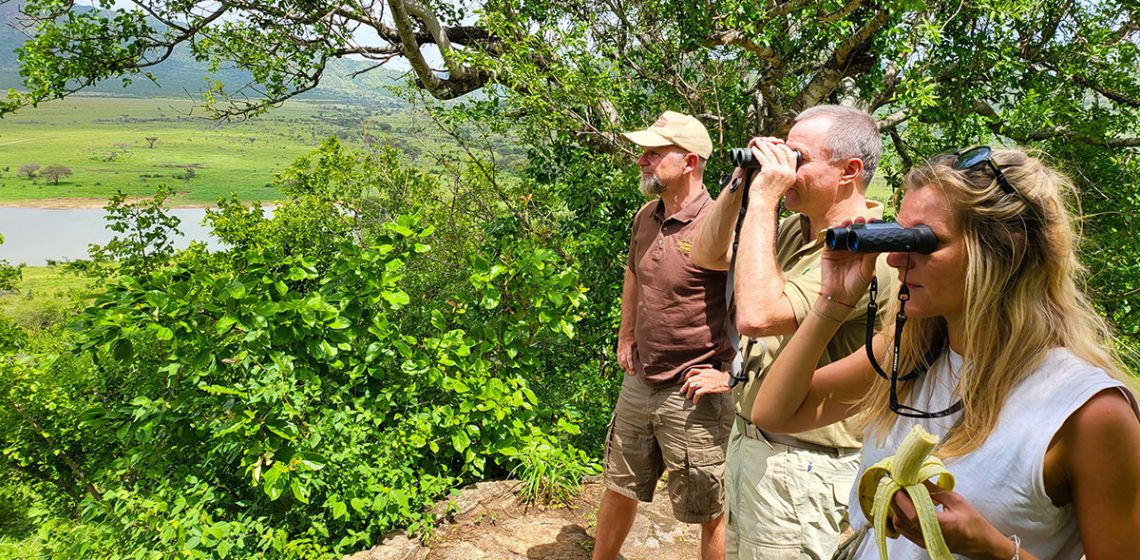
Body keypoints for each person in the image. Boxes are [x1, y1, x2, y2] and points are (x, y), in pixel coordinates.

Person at [750, 147, 1140, 559]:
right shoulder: (913, 352)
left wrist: (991, 548)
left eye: (923, 241)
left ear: (1007, 251)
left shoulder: (1089, 412)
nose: (896, 259)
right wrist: (832, 301)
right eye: (897, 236)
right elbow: (776, 413)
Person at [690, 105, 896, 559]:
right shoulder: (792, 231)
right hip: (753, 442)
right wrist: (742, 184)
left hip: (802, 463)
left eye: (798, 157)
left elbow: (758, 315)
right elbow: (705, 255)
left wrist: (763, 199)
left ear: (849, 171)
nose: (784, 167)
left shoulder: (868, 251)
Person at [593, 110, 736, 560]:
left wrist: (734, 376)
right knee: (619, 484)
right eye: (644, 152)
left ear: (690, 162)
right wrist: (625, 336)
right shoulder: (646, 215)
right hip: (641, 378)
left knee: (710, 506)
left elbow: (759, 305)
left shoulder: (720, 224)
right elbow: (634, 275)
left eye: (654, 153)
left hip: (694, 390)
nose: (642, 160)